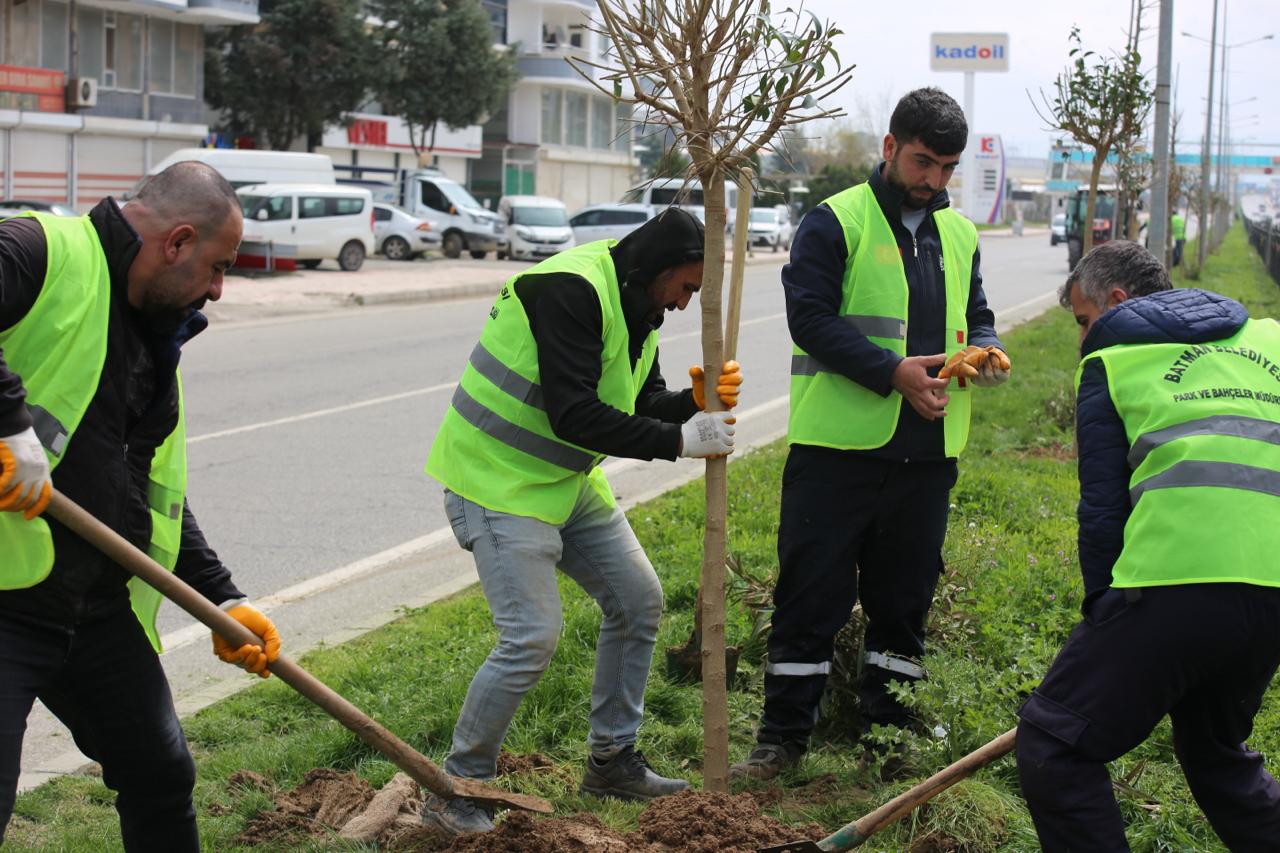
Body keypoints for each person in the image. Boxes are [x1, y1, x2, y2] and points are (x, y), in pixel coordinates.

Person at [423, 208, 741, 835]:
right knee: (531, 638)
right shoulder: (570, 290)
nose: (684, 304)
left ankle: (612, 761)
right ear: (661, 269)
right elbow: (575, 414)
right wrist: (682, 441)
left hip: (563, 483)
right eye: (685, 288)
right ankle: (457, 789)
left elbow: (638, 398)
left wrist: (691, 403)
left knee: (638, 601)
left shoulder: (638, 301)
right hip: (496, 481)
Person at [0, 162, 282, 850]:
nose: (218, 289)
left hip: (92, 608)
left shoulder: (157, 339)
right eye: (218, 267)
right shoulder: (38, 251)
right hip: (5, 603)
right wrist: (8, 422)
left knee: (160, 772)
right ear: (178, 241)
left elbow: (144, 497)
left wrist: (221, 598)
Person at [730, 87, 1008, 781]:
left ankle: (888, 740)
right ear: (889, 148)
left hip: (927, 458)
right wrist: (895, 374)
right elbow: (811, 322)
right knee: (810, 598)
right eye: (923, 163)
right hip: (837, 455)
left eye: (947, 168)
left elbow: (977, 313)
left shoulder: (961, 233)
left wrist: (987, 346)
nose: (934, 181)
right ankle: (781, 742)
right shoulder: (834, 222)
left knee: (904, 603)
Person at [1016, 240, 1280, 851]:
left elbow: (1104, 510)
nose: (1082, 339)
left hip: (1178, 580)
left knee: (1055, 744)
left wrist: (1106, 613)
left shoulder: (1112, 362)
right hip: (1272, 589)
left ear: (1113, 303)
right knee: (1217, 755)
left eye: (1083, 322)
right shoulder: (1267, 339)